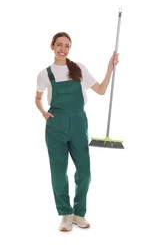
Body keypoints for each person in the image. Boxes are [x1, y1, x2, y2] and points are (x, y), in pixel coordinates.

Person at [35, 32, 119, 232]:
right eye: (59, 45)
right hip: (56, 126)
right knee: (58, 173)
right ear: (52, 46)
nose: (63, 49)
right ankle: (65, 214)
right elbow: (37, 98)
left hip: (79, 124)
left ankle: (79, 214)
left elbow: (100, 89)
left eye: (67, 46)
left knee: (84, 172)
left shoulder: (79, 68)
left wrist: (110, 68)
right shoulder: (45, 74)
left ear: (70, 48)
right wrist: (44, 114)